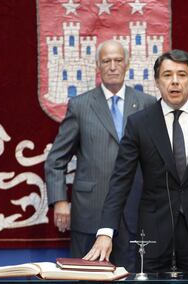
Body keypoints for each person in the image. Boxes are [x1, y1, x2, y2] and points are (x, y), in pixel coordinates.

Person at [83, 49, 188, 273]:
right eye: (167, 75)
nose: (174, 82)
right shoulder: (140, 123)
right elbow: (120, 181)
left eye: (181, 75)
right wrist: (106, 232)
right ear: (157, 81)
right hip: (153, 234)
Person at [44, 40, 156, 271]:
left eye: (118, 60)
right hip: (90, 210)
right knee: (86, 275)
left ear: (127, 65)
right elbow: (56, 159)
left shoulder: (147, 104)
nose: (112, 66)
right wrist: (60, 201)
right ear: (97, 66)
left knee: (132, 275)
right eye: (106, 61)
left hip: (134, 210)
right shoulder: (80, 105)